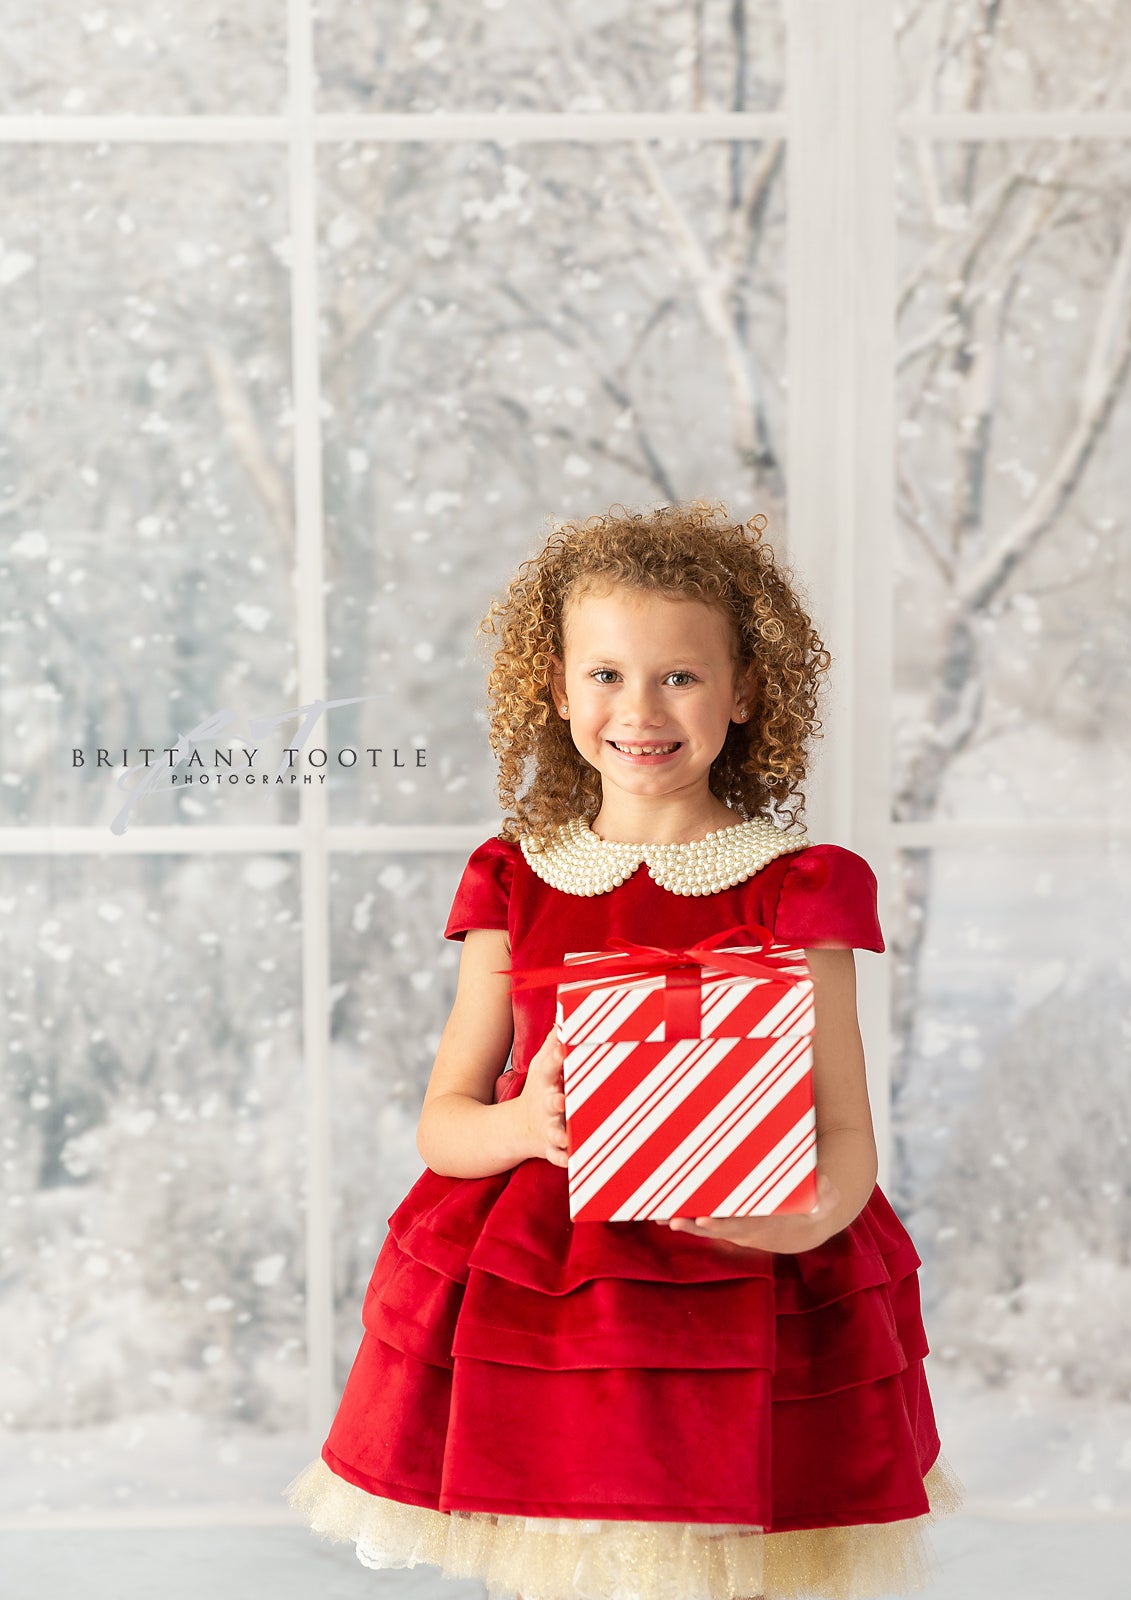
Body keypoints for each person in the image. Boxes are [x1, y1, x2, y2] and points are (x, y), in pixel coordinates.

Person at [283, 500, 965, 1600]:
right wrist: (522, 1123)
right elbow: (443, 1123)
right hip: (553, 1323)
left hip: (750, 1306)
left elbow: (844, 1133)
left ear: (746, 691)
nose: (638, 709)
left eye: (679, 678)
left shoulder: (798, 883)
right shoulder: (515, 879)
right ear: (554, 689)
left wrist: (802, 1218)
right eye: (604, 675)